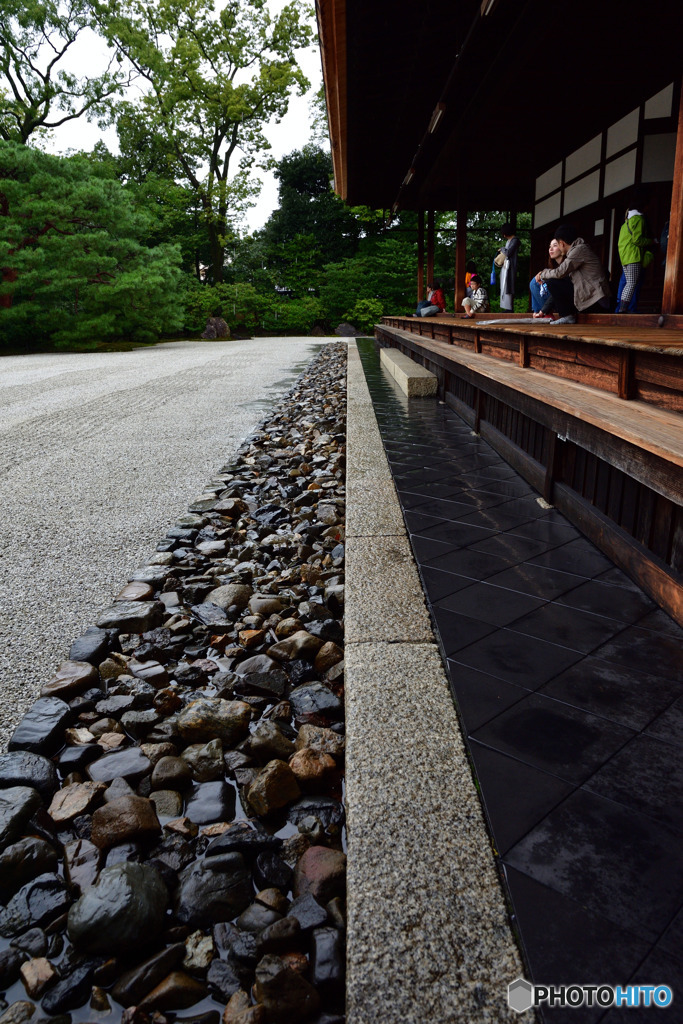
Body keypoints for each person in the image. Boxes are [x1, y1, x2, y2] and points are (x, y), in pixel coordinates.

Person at [534, 224, 610, 323]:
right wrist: (544, 310)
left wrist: (542, 274)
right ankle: (567, 316)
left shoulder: (579, 250)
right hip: (592, 299)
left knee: (553, 281)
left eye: (556, 244)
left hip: (597, 301)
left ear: (562, 243)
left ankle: (567, 316)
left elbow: (559, 272)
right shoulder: (578, 251)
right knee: (557, 282)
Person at [616, 198, 654, 313]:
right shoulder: (639, 219)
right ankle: (624, 309)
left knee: (627, 283)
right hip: (634, 256)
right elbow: (637, 240)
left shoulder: (625, 224)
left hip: (625, 257)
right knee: (632, 283)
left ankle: (621, 308)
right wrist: (651, 241)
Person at [531, 239, 575, 320]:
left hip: (568, 301)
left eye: (555, 246)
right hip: (554, 301)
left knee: (546, 282)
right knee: (535, 282)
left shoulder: (567, 266)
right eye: (550, 246)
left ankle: (546, 313)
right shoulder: (554, 268)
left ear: (562, 248)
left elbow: (557, 290)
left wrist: (543, 311)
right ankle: (537, 312)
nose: (550, 249)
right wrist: (536, 310)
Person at [497, 223, 519, 312]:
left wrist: (502, 249)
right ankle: (507, 307)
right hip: (506, 266)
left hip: (510, 267)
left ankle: (509, 308)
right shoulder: (509, 241)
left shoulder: (515, 240)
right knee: (504, 286)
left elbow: (508, 252)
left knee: (508, 286)